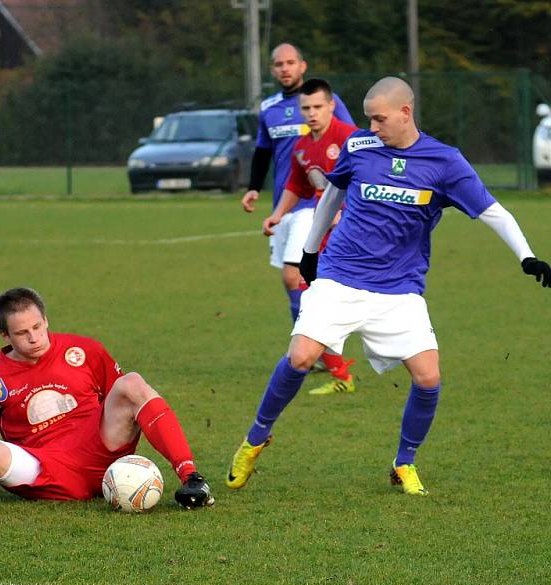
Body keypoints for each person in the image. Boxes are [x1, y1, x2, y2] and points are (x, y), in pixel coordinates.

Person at [227, 76, 551, 494]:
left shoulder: (445, 162)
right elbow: (331, 196)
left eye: (379, 119)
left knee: (429, 378)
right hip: (341, 275)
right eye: (368, 119)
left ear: (405, 113)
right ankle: (255, 438)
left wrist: (526, 256)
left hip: (399, 290)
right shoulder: (359, 148)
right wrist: (310, 252)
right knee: (300, 357)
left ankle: (404, 462)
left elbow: (494, 212)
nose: (372, 127)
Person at [0, 287, 214, 514]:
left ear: (46, 320)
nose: (34, 337)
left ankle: (192, 479)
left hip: (99, 449)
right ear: (5, 336)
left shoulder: (84, 350)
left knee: (132, 383)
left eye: (37, 326)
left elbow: (123, 401)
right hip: (45, 467)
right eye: (22, 333)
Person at [240, 44, 354, 329]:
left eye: (291, 62)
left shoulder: (326, 100)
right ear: (272, 70)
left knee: (295, 275)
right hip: (287, 199)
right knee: (294, 279)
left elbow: (353, 147)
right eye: (279, 64)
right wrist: (254, 187)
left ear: (302, 66)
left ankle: (312, 345)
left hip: (315, 204)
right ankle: (310, 343)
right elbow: (263, 151)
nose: (285, 68)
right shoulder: (269, 108)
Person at [259, 77, 359, 397]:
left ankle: (346, 363)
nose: (312, 113)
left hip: (353, 235)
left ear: (332, 106)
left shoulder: (350, 139)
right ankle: (341, 374)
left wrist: (349, 209)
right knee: (311, 297)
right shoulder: (302, 147)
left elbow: (369, 179)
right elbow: (297, 187)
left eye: (318, 107)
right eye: (306, 108)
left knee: (339, 302)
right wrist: (277, 214)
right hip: (322, 235)